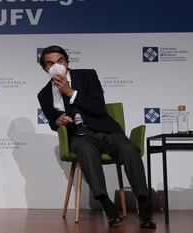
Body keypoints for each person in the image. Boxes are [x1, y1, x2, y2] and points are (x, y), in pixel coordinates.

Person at [37, 45, 156, 228]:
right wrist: (58, 120)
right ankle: (107, 206)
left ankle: (144, 205)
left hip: (105, 130)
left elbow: (98, 107)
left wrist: (70, 92)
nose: (56, 65)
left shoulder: (87, 75)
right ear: (45, 68)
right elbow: (52, 122)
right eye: (50, 63)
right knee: (85, 151)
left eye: (60, 61)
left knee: (128, 148)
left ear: (67, 62)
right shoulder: (44, 94)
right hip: (78, 135)